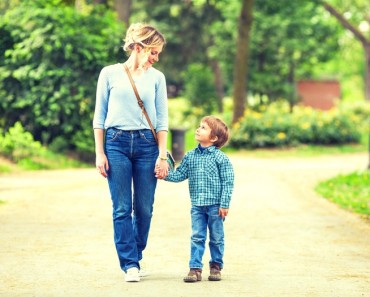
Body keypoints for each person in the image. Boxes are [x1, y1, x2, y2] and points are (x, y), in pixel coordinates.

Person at [93, 22, 169, 283]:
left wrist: (162, 154)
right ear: (138, 47)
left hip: (148, 145)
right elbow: (99, 117)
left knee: (144, 208)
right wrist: (99, 153)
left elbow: (162, 121)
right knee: (122, 207)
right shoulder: (109, 74)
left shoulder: (157, 78)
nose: (155, 58)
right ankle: (130, 264)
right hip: (115, 144)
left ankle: (135, 254)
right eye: (153, 52)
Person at [156, 115, 234, 282]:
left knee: (216, 237)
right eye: (199, 126)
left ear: (214, 138)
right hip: (197, 206)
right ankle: (195, 268)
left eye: (203, 128)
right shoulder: (190, 156)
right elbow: (179, 175)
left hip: (215, 206)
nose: (198, 129)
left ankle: (216, 266)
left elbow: (228, 182)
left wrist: (225, 203)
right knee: (197, 236)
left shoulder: (221, 158)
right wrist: (164, 174)